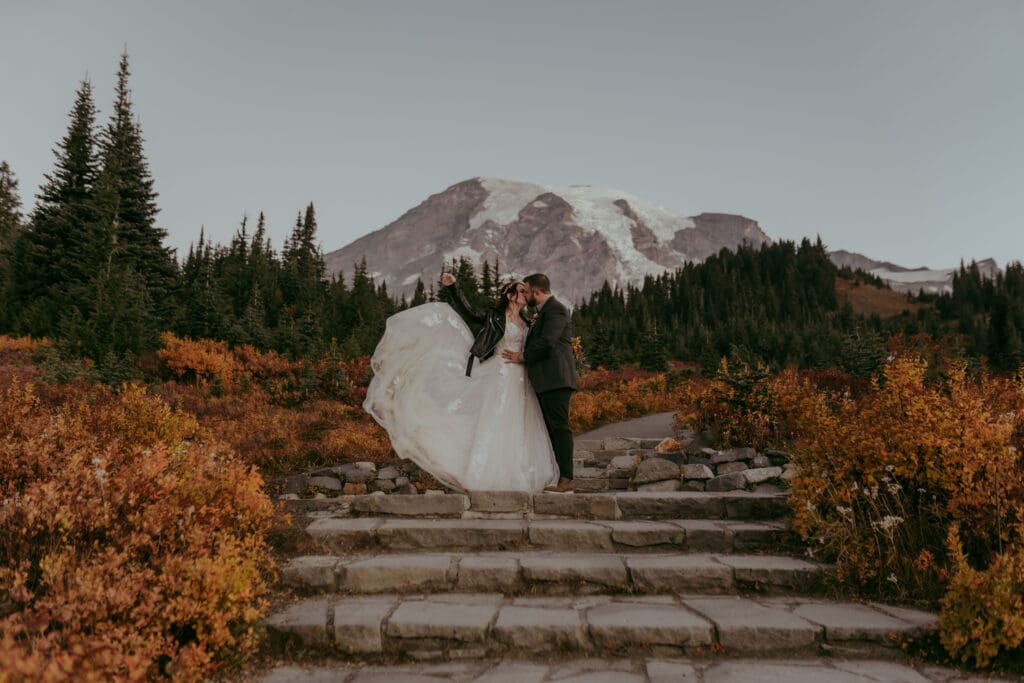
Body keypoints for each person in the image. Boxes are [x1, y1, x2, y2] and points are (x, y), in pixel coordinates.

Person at [362, 272, 559, 492]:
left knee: (520, 424)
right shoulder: (494, 315)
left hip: (522, 378)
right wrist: (454, 287)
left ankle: (520, 472)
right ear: (512, 295)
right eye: (523, 291)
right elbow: (470, 312)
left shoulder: (527, 321)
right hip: (499, 375)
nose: (527, 295)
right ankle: (484, 471)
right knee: (494, 420)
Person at [501, 273, 577, 493]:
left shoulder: (556, 309)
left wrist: (521, 357)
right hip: (547, 381)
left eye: (526, 290)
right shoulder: (544, 312)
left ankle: (566, 480)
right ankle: (558, 476)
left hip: (556, 380)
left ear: (536, 291)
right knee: (552, 429)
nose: (525, 294)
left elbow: (547, 342)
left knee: (560, 428)